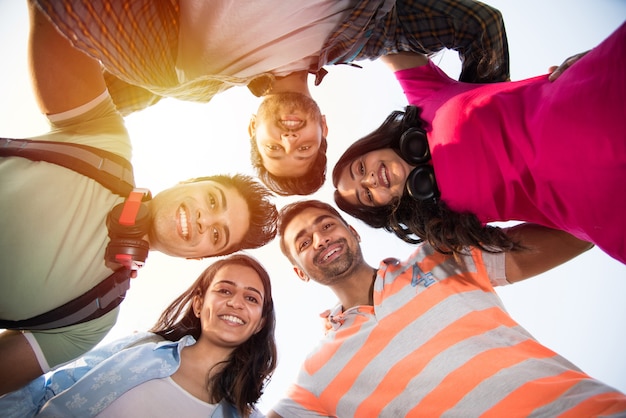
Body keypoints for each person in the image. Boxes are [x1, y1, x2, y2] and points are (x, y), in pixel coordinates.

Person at [0, 2, 277, 396]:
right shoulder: (104, 142)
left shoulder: (92, 319)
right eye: (212, 201)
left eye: (216, 236)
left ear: (195, 258)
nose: (203, 221)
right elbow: (56, 16)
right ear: (190, 180)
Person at [31, 0, 511, 195]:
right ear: (325, 125)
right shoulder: (374, 32)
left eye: (275, 148)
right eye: (304, 146)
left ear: (252, 129)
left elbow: (91, 107)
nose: (289, 137)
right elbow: (480, 28)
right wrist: (472, 158)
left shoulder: (194, 77)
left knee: (166, 76)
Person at [267, 199, 626, 417]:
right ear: (300, 272)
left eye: (327, 225)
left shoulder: (438, 255)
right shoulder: (316, 376)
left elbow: (583, 230)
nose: (321, 238)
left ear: (354, 233)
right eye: (304, 242)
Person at [333, 21, 626, 264]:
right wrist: (584, 232)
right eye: (367, 196)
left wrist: (306, 60)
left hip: (594, 96)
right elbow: (517, 259)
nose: (370, 180)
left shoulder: (424, 96)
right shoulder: (446, 224)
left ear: (370, 147)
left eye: (360, 169)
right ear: (386, 208)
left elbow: (376, 30)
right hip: (606, 203)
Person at [0, 254, 277, 417]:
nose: (236, 303)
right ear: (198, 303)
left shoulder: (243, 413)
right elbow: (47, 391)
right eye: (225, 291)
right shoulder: (140, 347)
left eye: (251, 298)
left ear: (260, 323)